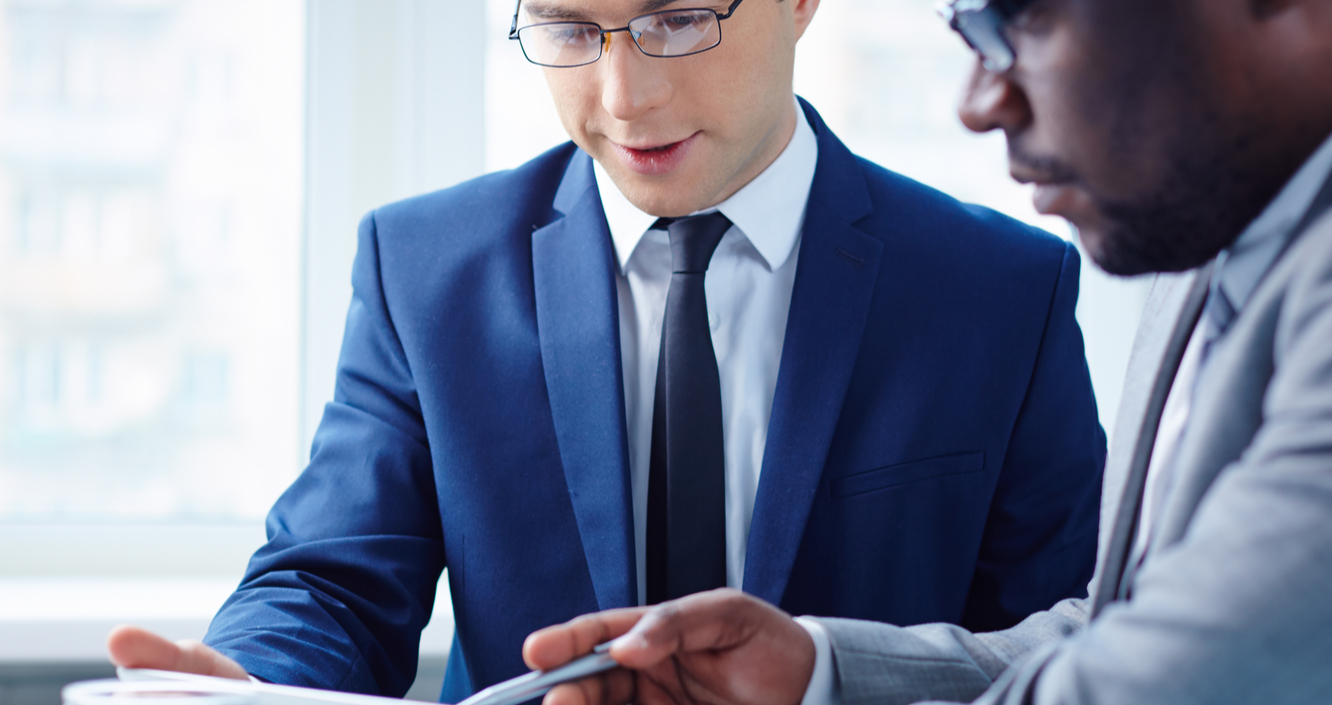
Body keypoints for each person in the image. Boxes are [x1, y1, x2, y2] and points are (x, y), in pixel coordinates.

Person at [105, 0, 1110, 699]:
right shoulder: (423, 271)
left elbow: (1072, 642)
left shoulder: (1002, 290)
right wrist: (250, 683)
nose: (624, 98)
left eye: (678, 19)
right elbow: (333, 579)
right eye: (569, 28)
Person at [521, 0, 1332, 702]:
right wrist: (821, 671)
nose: (978, 102)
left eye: (1019, 19)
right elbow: (1136, 624)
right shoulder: (1234, 196)